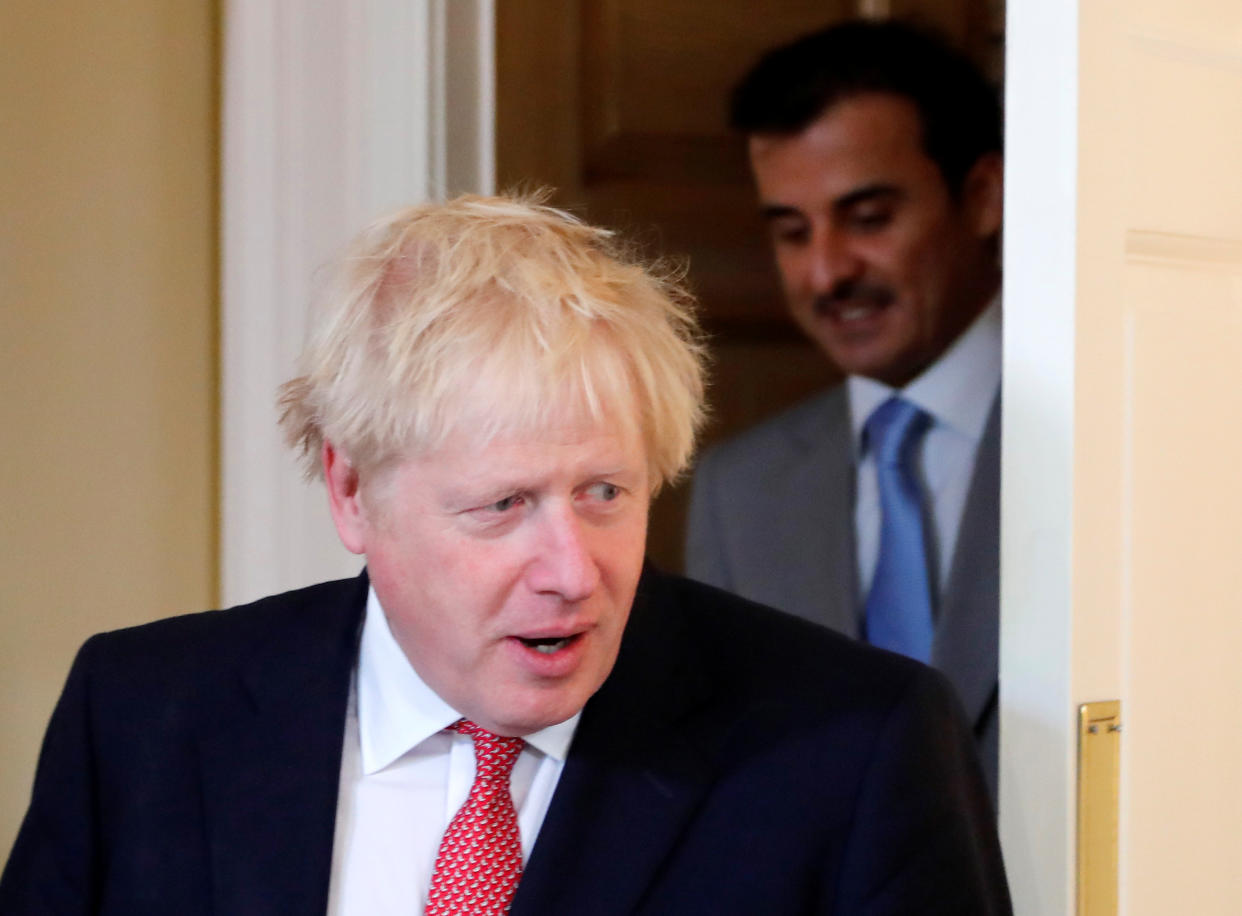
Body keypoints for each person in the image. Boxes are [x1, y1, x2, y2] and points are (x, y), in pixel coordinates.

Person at [1, 193, 1009, 915]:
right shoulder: (140, 717)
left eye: (605, 493)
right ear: (352, 490)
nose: (573, 571)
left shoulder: (857, 745)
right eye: (503, 504)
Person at [686, 19, 1005, 797]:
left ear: (983, 196)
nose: (827, 272)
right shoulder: (739, 491)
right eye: (793, 232)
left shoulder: (1117, 434)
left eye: (869, 219)